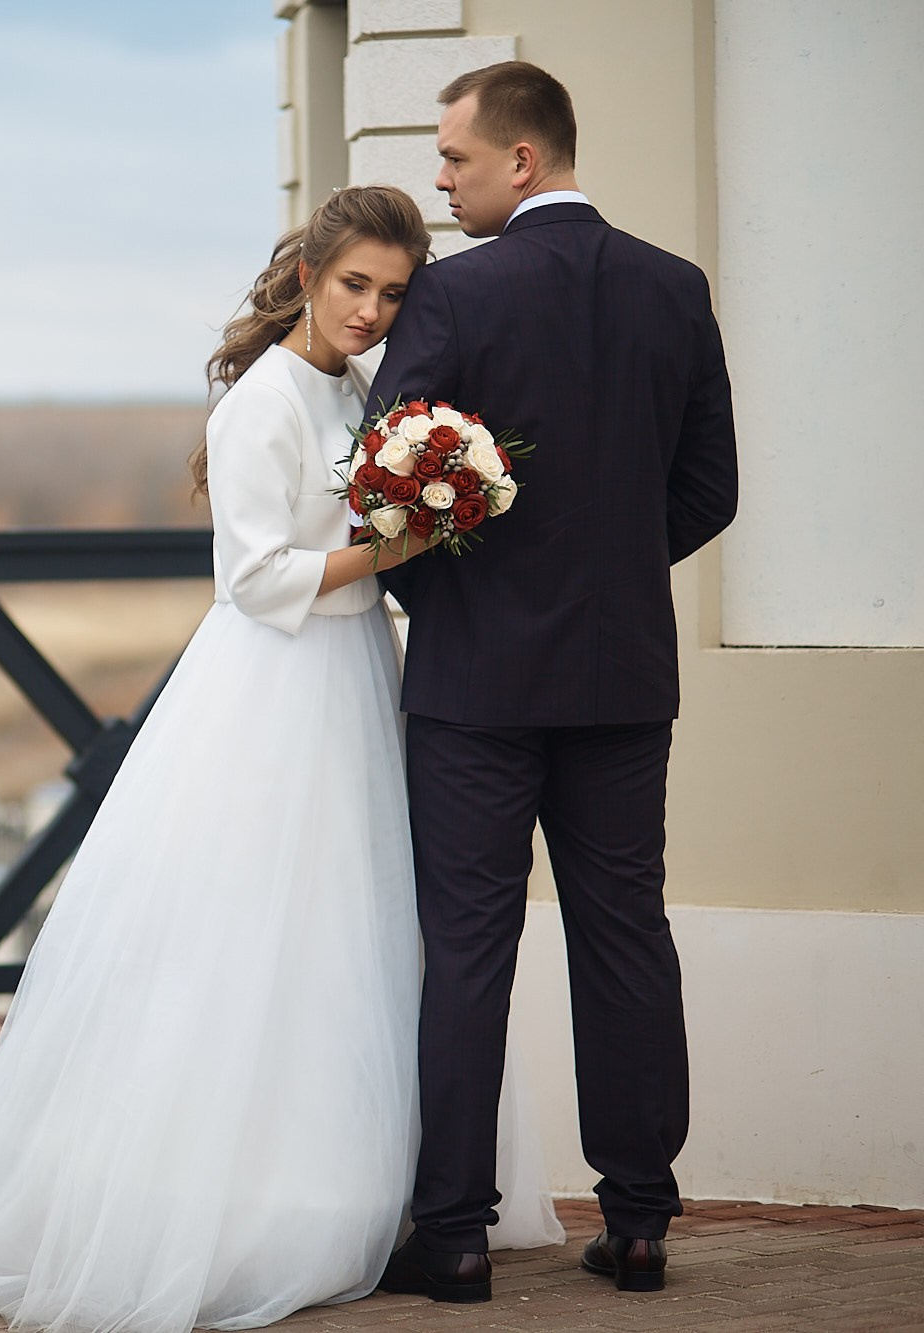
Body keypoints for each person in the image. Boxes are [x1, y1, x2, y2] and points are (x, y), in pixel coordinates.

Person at [0, 184, 563, 1333]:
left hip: (354, 677)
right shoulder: (258, 403)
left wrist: (431, 513)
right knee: (246, 932)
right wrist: (397, 543)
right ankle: (219, 1194)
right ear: (306, 275)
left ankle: (338, 1178)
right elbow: (256, 581)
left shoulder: (364, 389)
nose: (371, 311)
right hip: (270, 693)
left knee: (348, 933)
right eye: (353, 284)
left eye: (393, 293)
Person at [369, 63, 738, 1304]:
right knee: (625, 937)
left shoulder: (453, 296)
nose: (438, 176)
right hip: (624, 679)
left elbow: (385, 487)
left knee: (464, 949)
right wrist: (616, 575)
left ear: (520, 160)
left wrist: (458, 601)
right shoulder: (673, 290)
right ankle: (636, 1223)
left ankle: (455, 1237)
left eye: (454, 157)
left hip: (473, 687)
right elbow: (708, 490)